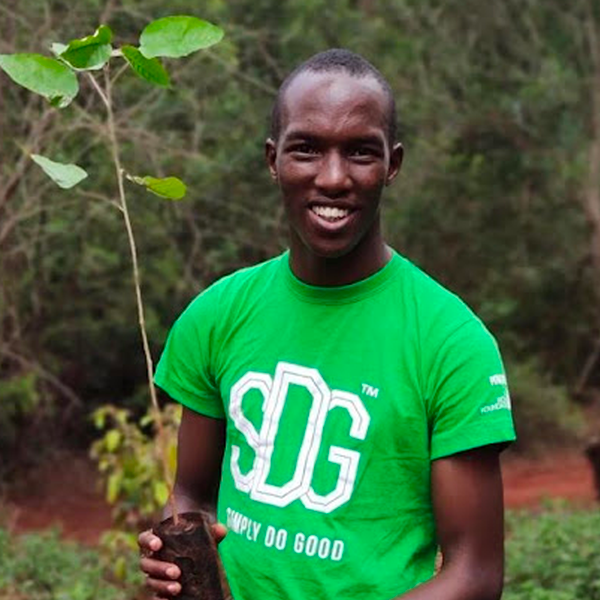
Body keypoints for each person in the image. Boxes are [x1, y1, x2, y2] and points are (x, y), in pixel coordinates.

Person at [139, 48, 516, 600]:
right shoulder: (218, 313)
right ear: (273, 160)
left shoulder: (451, 342)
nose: (333, 178)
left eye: (361, 152)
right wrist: (171, 561)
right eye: (307, 149)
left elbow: (475, 575)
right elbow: (193, 495)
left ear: (393, 164)